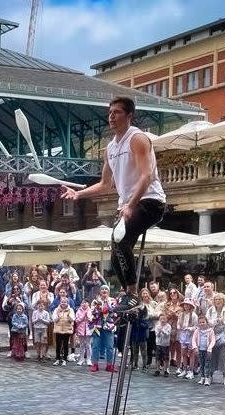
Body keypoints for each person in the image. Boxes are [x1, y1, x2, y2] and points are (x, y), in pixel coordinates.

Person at [62, 96, 165, 313]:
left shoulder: (137, 139)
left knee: (120, 241)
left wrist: (130, 205)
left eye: (117, 112)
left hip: (150, 201)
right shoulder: (110, 147)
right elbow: (105, 184)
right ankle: (131, 297)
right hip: (129, 204)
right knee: (115, 253)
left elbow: (146, 176)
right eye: (109, 112)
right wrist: (78, 194)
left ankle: (132, 294)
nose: (111, 116)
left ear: (129, 116)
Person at [206, 293, 225, 387]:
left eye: (220, 299)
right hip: (213, 336)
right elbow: (207, 323)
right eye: (216, 299)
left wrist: (224, 322)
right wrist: (215, 322)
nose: (218, 301)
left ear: (224, 301)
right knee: (211, 357)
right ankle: (210, 376)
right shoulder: (210, 310)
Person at [193, 315, 216, 386]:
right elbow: (194, 339)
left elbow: (213, 340)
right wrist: (195, 347)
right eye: (200, 322)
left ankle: (207, 378)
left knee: (207, 364)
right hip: (200, 350)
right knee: (202, 364)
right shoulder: (197, 331)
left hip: (207, 351)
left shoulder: (210, 331)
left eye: (203, 322)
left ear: (207, 322)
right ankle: (202, 377)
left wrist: (210, 348)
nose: (201, 324)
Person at [52, 297, 75, 366]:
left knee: (65, 345)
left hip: (66, 330)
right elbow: (54, 319)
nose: (63, 303)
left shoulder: (70, 310)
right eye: (62, 302)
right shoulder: (56, 310)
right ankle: (57, 359)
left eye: (65, 302)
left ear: (67, 303)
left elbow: (72, 319)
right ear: (60, 302)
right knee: (58, 345)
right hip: (58, 330)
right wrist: (58, 316)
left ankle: (64, 359)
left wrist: (69, 316)